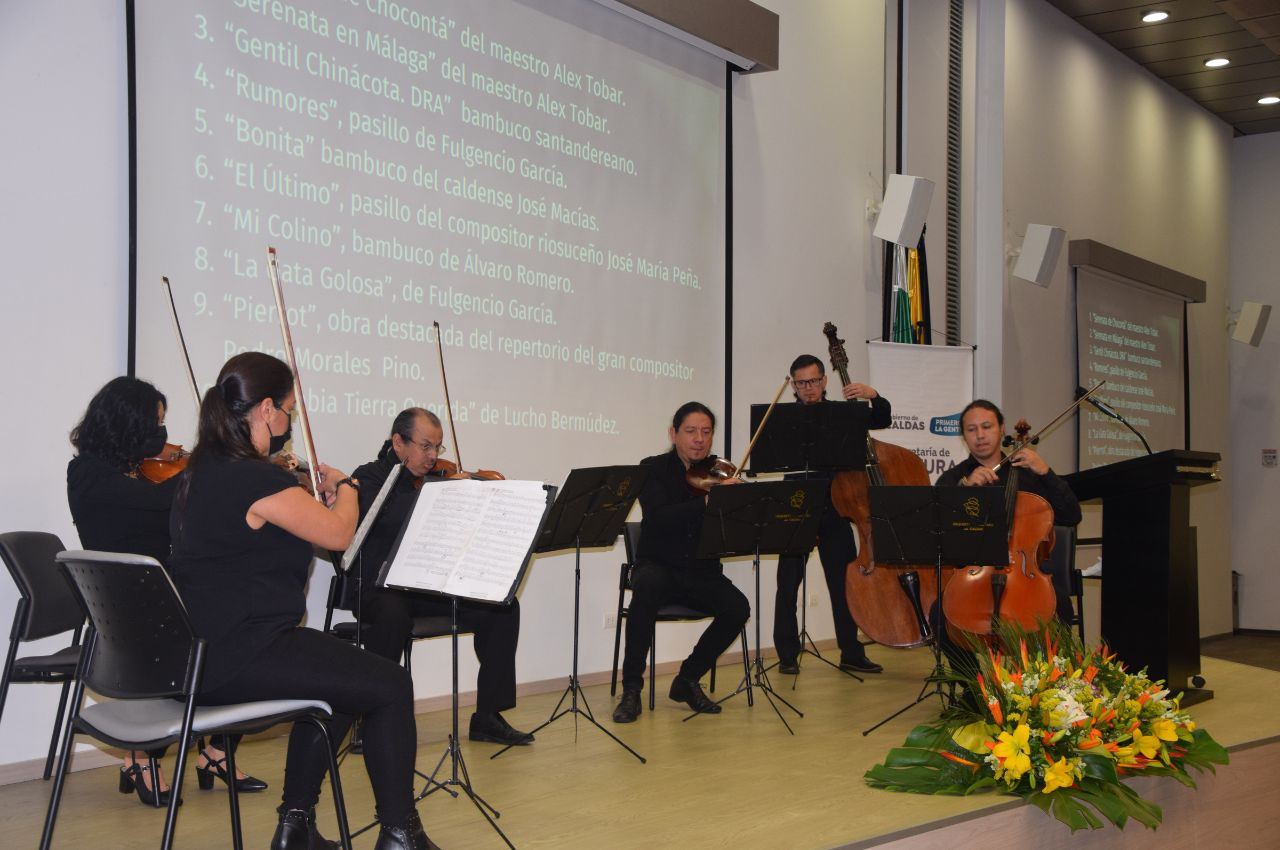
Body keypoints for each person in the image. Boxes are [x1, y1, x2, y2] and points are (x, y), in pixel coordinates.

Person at [168, 353, 439, 850]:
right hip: (243, 651)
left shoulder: (199, 474)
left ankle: (296, 828)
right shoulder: (255, 478)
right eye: (289, 410)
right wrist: (348, 487)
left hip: (203, 652)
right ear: (267, 409)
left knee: (342, 682)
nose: (290, 422)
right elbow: (338, 535)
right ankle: (401, 835)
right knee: (391, 683)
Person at [67, 376, 266, 806]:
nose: (162, 434)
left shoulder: (139, 468)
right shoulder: (86, 472)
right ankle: (138, 754)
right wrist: (209, 467)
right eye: (154, 422)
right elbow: (155, 506)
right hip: (129, 602)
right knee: (228, 635)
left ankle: (214, 751)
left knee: (246, 622)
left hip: (168, 590)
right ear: (127, 421)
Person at [349, 407, 531, 747]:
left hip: (426, 588)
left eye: (438, 448)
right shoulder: (369, 477)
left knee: (503, 607)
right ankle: (367, 716)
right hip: (380, 587)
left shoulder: (435, 480)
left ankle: (488, 716)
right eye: (425, 446)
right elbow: (393, 520)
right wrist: (440, 495)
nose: (433, 457)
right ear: (398, 443)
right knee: (392, 616)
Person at [613, 402, 751, 723]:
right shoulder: (651, 469)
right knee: (645, 589)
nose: (699, 439)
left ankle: (687, 678)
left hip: (701, 570)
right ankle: (632, 689)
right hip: (659, 565)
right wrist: (707, 500)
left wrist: (741, 500)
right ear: (674, 434)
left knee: (737, 608)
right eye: (691, 431)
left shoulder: (720, 472)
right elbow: (660, 518)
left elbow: (736, 524)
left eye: (706, 432)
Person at [932, 399, 1082, 670]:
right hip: (975, 576)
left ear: (1001, 429)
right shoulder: (955, 478)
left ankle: (1044, 683)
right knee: (939, 613)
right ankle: (970, 686)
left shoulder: (1030, 473)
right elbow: (935, 522)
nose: (980, 435)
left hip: (1025, 575)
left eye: (987, 427)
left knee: (1060, 607)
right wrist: (964, 489)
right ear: (963, 436)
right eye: (971, 429)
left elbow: (1072, 515)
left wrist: (1045, 472)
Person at [772, 355, 888, 676]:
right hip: (795, 507)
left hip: (836, 507)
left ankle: (851, 652)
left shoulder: (844, 414)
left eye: (813, 381)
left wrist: (873, 395)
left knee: (843, 584)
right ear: (793, 385)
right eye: (801, 383)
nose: (808, 388)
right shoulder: (784, 418)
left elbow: (882, 419)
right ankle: (786, 654)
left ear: (824, 381)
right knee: (787, 584)